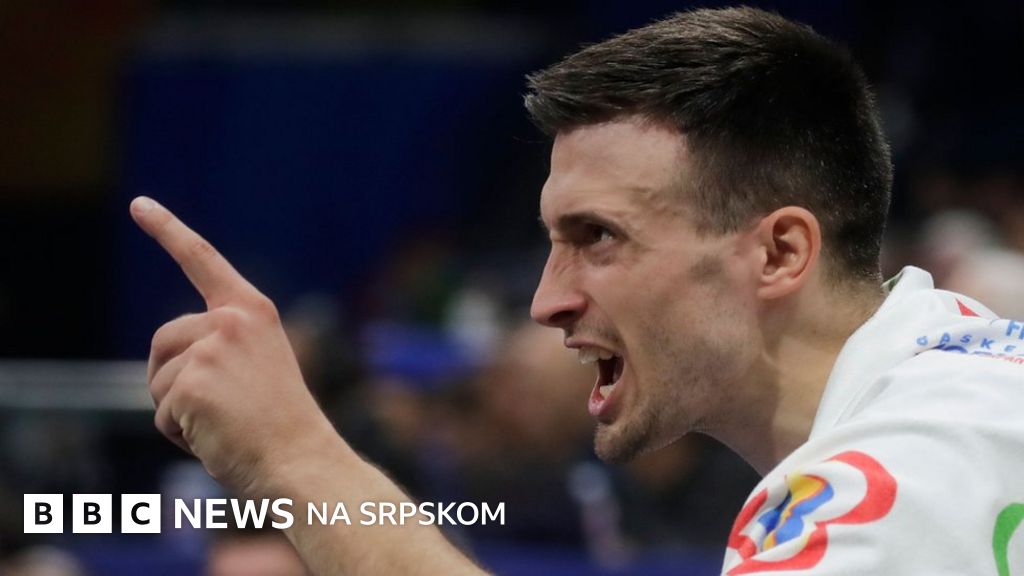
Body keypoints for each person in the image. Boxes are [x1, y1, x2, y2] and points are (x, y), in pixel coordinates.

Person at [129, 6, 1024, 575]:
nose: (545, 301)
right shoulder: (961, 358)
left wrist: (293, 457)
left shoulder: (887, 489)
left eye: (598, 238)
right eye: (553, 242)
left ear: (780, 252)